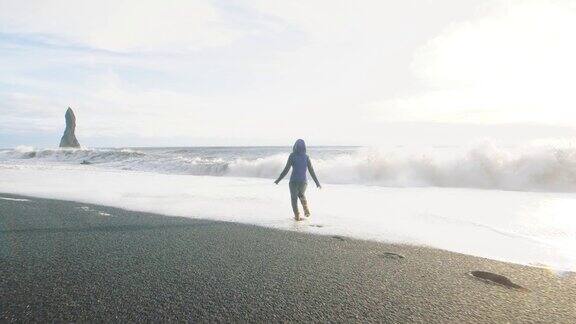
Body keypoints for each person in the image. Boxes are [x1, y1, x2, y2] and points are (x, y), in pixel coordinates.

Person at [274, 139, 321, 221]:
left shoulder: (292, 156)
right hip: (303, 182)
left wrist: (278, 179)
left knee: (294, 199)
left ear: (295, 146)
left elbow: (286, 170)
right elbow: (311, 170)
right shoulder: (306, 157)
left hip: (293, 181)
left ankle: (297, 216)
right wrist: (317, 182)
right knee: (301, 194)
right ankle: (305, 208)